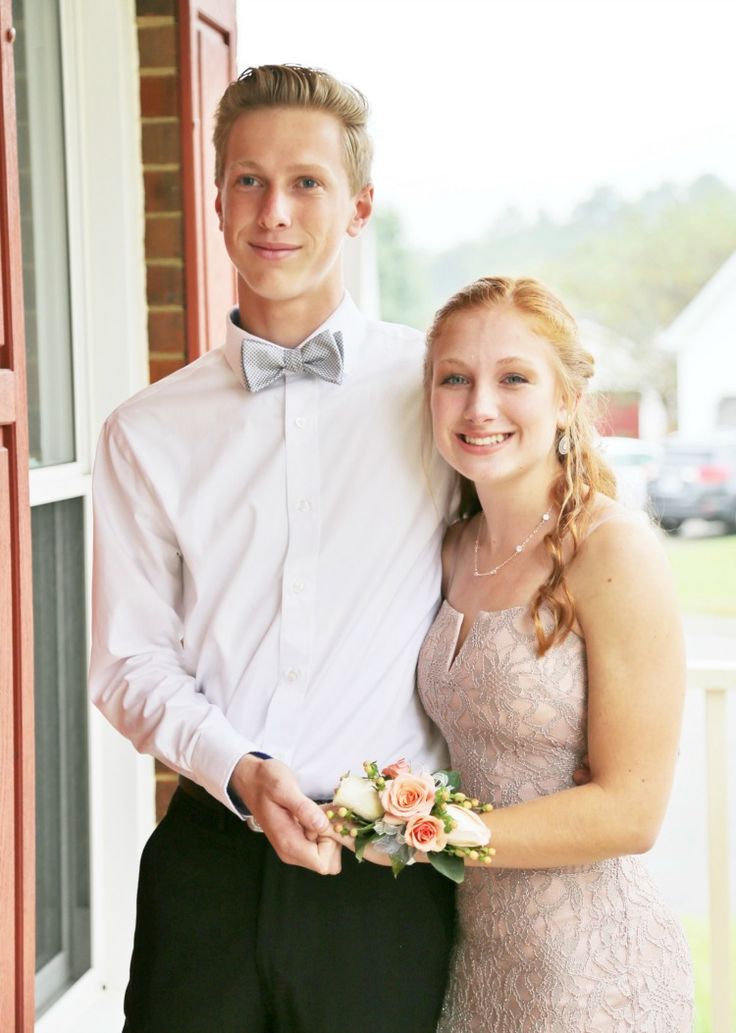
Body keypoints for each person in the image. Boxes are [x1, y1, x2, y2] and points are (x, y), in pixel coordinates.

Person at [89, 64, 457, 1033]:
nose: (274, 210)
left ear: (359, 206)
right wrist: (239, 767)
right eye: (248, 180)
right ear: (215, 203)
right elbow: (129, 662)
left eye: (306, 182)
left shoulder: (438, 395)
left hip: (383, 871)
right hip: (207, 861)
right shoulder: (145, 430)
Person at [338, 276, 694, 1030]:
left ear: (566, 400)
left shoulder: (612, 550)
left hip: (594, 973)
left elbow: (632, 810)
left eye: (514, 379)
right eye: (455, 378)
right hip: (475, 958)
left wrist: (425, 832)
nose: (480, 407)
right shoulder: (450, 549)